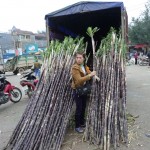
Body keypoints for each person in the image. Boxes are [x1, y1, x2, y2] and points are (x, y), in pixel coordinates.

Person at [71, 52, 96, 133]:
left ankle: (82, 123)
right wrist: (90, 76)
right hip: (77, 90)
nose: (78, 59)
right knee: (79, 108)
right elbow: (79, 80)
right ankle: (77, 126)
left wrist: (94, 75)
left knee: (83, 107)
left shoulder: (84, 66)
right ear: (75, 59)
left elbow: (89, 72)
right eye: (77, 57)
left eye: (80, 57)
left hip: (84, 89)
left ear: (83, 59)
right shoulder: (75, 68)